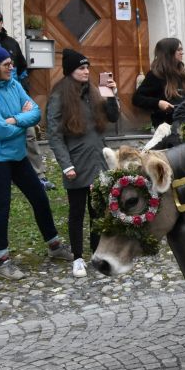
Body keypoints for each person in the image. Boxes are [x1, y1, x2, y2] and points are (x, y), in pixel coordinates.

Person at [0, 45, 74, 280]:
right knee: (2, 208)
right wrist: (21, 122)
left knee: (39, 197)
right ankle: (3, 261)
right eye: (6, 65)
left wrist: (14, 120)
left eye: (11, 63)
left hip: (18, 156)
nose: (11, 67)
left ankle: (55, 246)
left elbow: (36, 114)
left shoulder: (15, 85)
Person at [0, 7, 55, 191]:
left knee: (29, 135)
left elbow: (21, 69)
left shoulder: (11, 43)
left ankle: (39, 175)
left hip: (16, 98)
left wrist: (23, 91)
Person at [47, 49, 119, 278]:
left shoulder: (94, 92)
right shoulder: (59, 96)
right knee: (77, 213)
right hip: (76, 163)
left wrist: (112, 95)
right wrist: (66, 164)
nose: (86, 71)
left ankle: (97, 254)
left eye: (87, 67)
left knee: (98, 211)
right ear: (70, 71)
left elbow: (113, 117)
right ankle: (78, 258)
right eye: (81, 67)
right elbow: (54, 134)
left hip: (98, 160)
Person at [133, 37, 185, 129]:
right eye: (178, 50)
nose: (182, 52)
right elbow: (137, 98)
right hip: (164, 126)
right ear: (169, 53)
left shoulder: (182, 72)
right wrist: (158, 103)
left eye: (182, 49)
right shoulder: (155, 74)